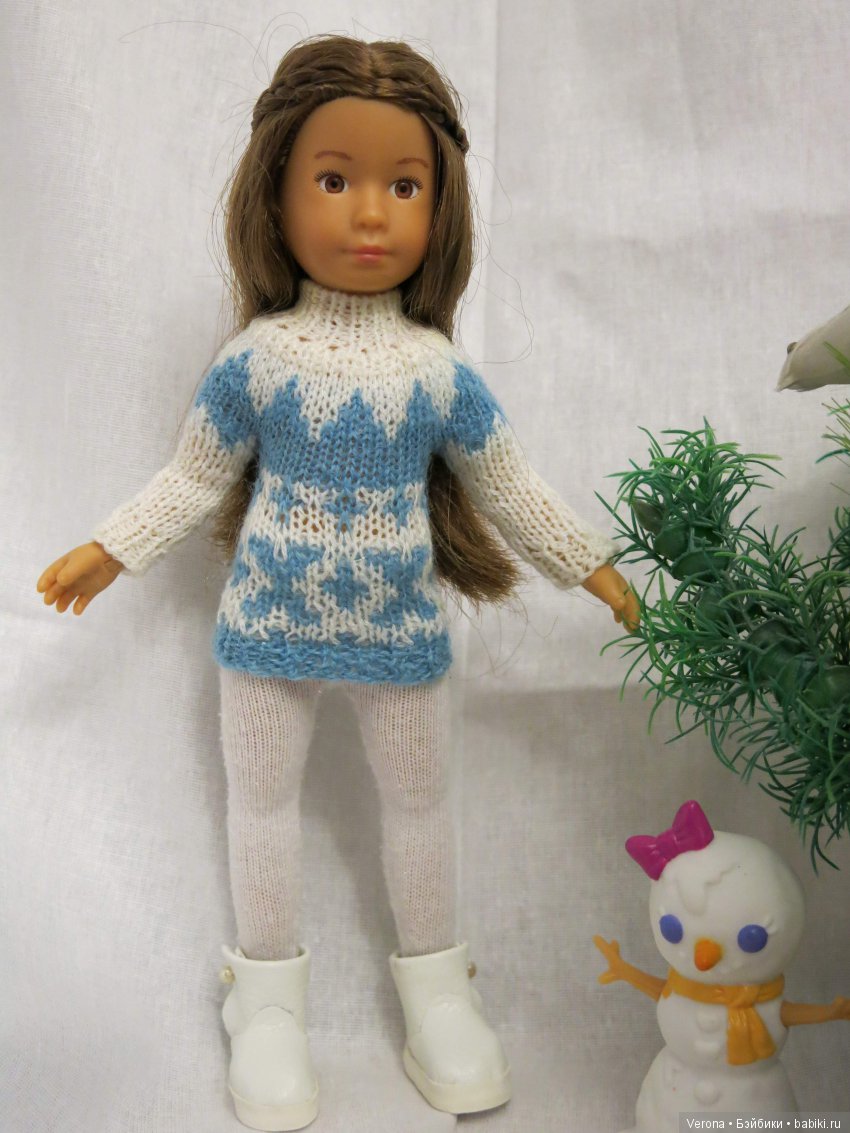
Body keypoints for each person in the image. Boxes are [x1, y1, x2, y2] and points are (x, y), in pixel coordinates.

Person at [37, 35, 638, 1133]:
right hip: (265, 627)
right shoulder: (257, 360)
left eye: (403, 186)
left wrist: (590, 566)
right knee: (260, 805)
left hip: (399, 634)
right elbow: (193, 475)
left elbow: (508, 482)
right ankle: (265, 997)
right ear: (274, 194)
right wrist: (110, 547)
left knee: (419, 805)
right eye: (333, 179)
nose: (369, 214)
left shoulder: (437, 372)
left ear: (441, 209)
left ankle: (438, 989)